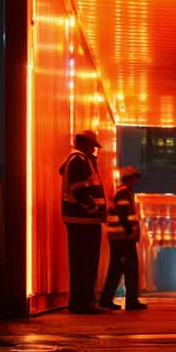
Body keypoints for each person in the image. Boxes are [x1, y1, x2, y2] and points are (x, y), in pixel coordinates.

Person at [59, 130, 107, 314]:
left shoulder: (80, 161)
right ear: (84, 144)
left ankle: (83, 301)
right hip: (83, 220)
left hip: (83, 220)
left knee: (84, 262)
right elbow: (79, 190)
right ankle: (82, 302)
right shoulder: (78, 160)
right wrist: (94, 209)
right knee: (84, 262)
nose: (94, 150)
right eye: (92, 146)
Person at [100, 166, 147, 311]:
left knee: (116, 269)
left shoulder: (123, 192)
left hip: (119, 238)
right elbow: (124, 213)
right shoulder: (123, 193)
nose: (136, 180)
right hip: (123, 238)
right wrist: (130, 231)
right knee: (130, 269)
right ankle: (131, 301)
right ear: (129, 178)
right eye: (135, 178)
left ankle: (106, 300)